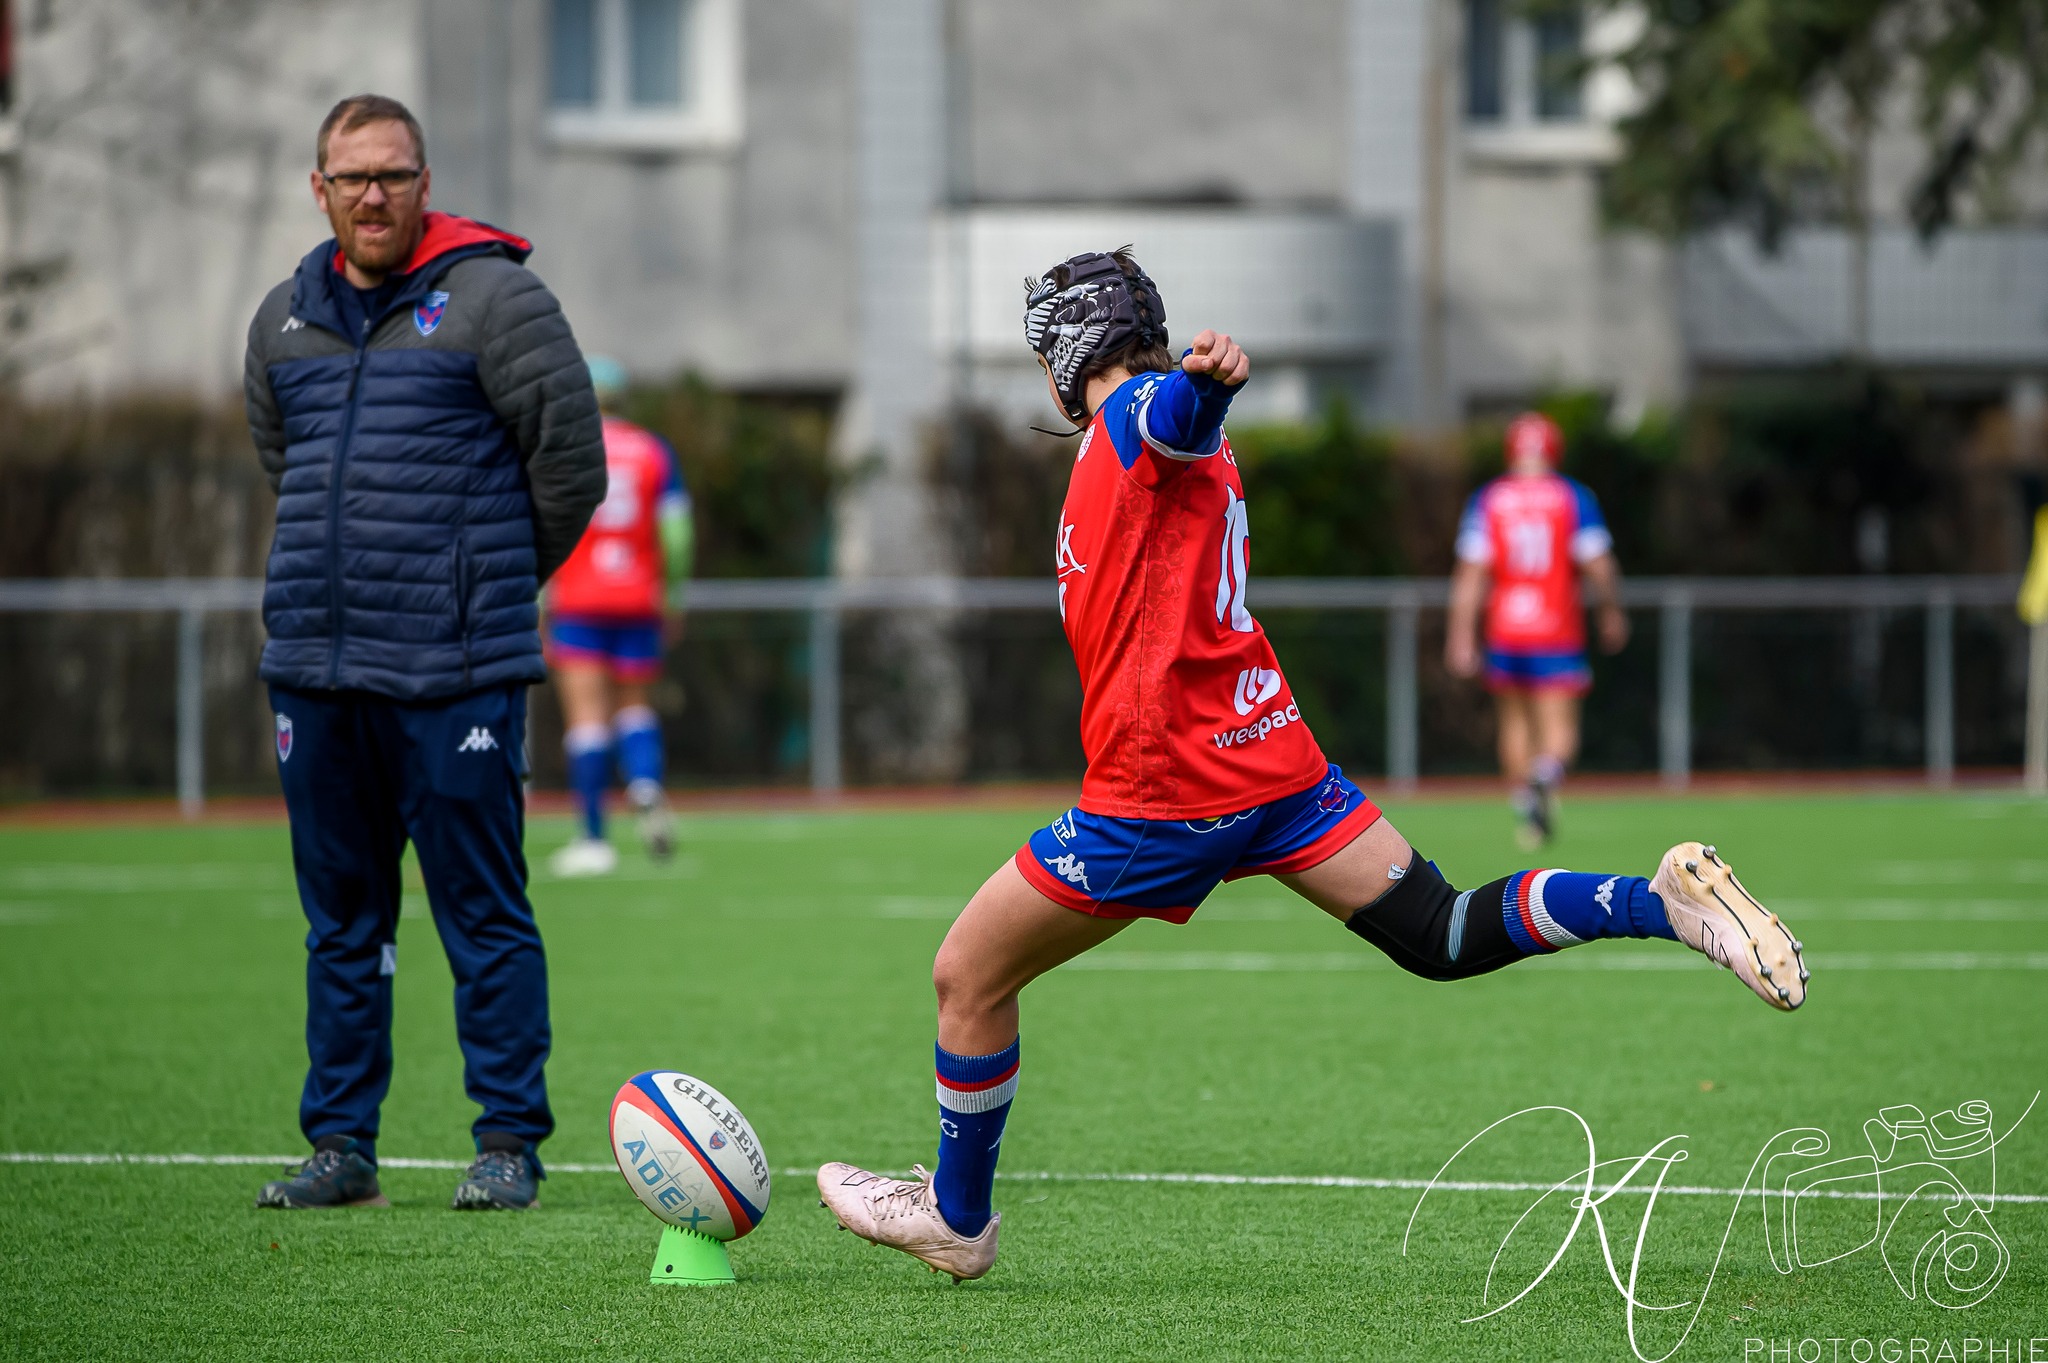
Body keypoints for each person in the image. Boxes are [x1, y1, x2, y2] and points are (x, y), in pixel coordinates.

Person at [815, 249, 1808, 1283]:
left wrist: (1199, 390)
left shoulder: (1135, 411)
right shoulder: (1149, 433)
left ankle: (956, 1218)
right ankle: (1657, 903)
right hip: (1271, 762)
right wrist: (1196, 397)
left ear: (1067, 351)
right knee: (1440, 932)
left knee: (966, 975)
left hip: (1165, 792)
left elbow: (1167, 421)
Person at [242, 94, 606, 1211]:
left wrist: (477, 583)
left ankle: (506, 1141)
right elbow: (283, 461)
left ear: (423, 180)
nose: (372, 196)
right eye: (351, 178)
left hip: (458, 672)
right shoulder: (282, 320)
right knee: (341, 919)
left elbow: (572, 467)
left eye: (393, 176)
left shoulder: (497, 298)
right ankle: (342, 1147)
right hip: (316, 665)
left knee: (481, 912)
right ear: (319, 189)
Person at [1445, 413, 1629, 847]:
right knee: (1559, 728)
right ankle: (1546, 775)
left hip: (1506, 628)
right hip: (1556, 628)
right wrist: (1610, 612)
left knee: (1513, 723)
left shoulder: (1489, 498)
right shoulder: (1572, 497)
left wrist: (1461, 635)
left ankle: (1526, 810)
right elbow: (1599, 565)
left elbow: (1471, 574)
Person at [542, 357, 695, 877]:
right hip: (636, 596)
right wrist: (670, 595)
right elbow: (677, 535)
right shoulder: (653, 451)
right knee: (633, 707)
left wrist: (540, 604)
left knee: (586, 716)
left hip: (580, 598)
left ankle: (592, 838)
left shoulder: (563, 451)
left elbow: (544, 528)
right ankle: (646, 785)